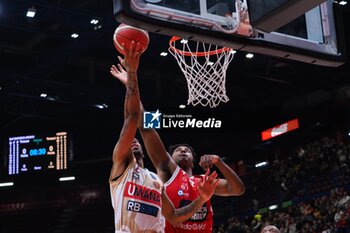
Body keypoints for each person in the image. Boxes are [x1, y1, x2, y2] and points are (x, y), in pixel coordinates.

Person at [111, 50, 245, 233]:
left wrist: (218, 161)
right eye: (178, 150)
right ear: (170, 157)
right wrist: (132, 85)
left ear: (193, 158)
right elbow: (144, 126)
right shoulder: (168, 169)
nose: (183, 150)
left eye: (187, 150)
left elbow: (237, 189)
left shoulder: (203, 182)